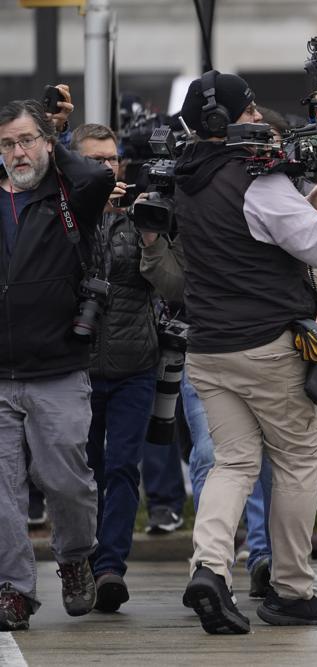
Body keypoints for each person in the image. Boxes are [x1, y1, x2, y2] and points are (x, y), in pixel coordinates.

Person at [173, 70, 317, 634]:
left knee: (233, 462)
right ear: (226, 121)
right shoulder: (255, 179)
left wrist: (309, 198)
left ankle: (209, 570)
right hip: (265, 346)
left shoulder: (187, 175)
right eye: (248, 111)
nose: (258, 119)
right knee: (299, 461)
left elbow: (261, 230)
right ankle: (292, 590)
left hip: (207, 348)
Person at [0, 98, 115, 631]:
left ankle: (73, 559)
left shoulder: (73, 193)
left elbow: (93, 171)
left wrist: (57, 137)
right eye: (6, 144)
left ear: (48, 142)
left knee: (66, 480)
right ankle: (15, 589)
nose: (17, 152)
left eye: (26, 140)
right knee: (2, 492)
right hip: (1, 373)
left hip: (58, 368)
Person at [71, 123, 159, 613]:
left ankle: (110, 569)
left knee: (123, 466)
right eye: (96, 160)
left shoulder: (139, 214)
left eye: (113, 159)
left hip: (134, 362)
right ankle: (80, 559)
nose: (108, 168)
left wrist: (147, 233)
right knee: (80, 470)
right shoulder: (63, 217)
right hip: (75, 365)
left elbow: (169, 283)